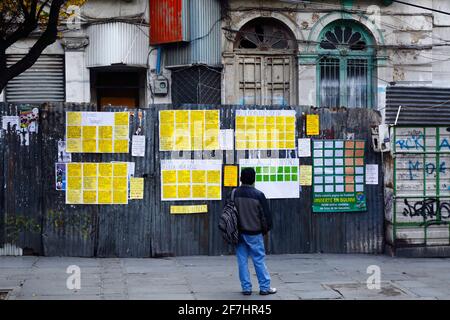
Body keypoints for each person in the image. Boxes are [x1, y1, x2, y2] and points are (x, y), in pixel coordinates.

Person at [232, 167, 276, 296]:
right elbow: (267, 217)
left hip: (239, 233)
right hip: (255, 233)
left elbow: (229, 213)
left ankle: (246, 288)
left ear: (240, 178)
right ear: (253, 179)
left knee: (242, 261)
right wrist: (264, 230)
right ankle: (264, 287)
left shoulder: (234, 193)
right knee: (259, 260)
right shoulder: (258, 195)